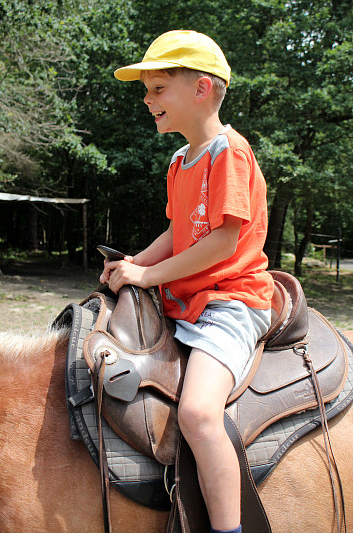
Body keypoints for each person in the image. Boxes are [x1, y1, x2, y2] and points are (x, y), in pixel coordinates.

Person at [100, 30, 274, 533]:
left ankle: (228, 530)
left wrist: (148, 275)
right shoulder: (181, 161)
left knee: (198, 414)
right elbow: (179, 232)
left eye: (157, 89)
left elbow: (221, 242)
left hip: (231, 301)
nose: (147, 99)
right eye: (147, 90)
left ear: (201, 90)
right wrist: (132, 264)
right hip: (188, 299)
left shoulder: (229, 153)